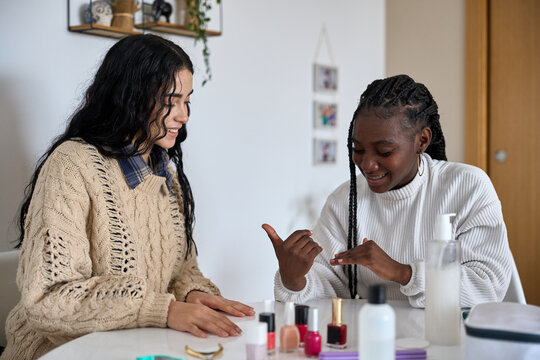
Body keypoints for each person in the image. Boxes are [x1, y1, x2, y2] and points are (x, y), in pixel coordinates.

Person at [1, 34, 254, 360]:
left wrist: (191, 294)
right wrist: (160, 310)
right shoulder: (72, 166)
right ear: (131, 96)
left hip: (135, 350)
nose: (184, 115)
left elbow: (181, 272)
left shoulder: (167, 176)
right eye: (171, 101)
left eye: (187, 101)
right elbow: (49, 299)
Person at [263, 74, 512, 308]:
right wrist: (294, 278)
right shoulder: (344, 201)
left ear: (422, 141)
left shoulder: (467, 187)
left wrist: (401, 273)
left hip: (449, 340)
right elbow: (331, 287)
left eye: (384, 152)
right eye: (358, 149)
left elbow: (488, 286)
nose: (368, 165)